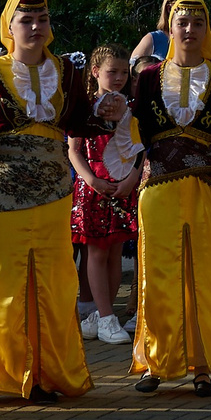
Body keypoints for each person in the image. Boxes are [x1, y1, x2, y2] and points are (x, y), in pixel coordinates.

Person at [0, 0, 124, 407]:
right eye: (26, 21)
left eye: (42, 19)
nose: (35, 27)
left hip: (52, 193)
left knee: (50, 285)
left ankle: (40, 375)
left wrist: (104, 116)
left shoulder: (67, 73)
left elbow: (81, 123)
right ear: (9, 27)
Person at [127, 0, 211, 394]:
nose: (190, 29)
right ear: (170, 27)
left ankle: (202, 365)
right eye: (183, 22)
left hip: (205, 189)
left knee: (205, 276)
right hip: (157, 190)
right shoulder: (145, 79)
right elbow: (132, 133)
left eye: (198, 23)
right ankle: (156, 364)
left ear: (206, 28)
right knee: (157, 276)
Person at [68, 45, 142, 347]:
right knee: (96, 252)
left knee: (114, 252)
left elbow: (140, 149)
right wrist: (91, 179)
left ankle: (103, 315)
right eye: (113, 71)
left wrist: (131, 180)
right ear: (96, 71)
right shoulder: (84, 105)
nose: (120, 77)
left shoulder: (132, 107)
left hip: (122, 185)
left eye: (125, 72)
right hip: (94, 186)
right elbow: (73, 150)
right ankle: (107, 315)